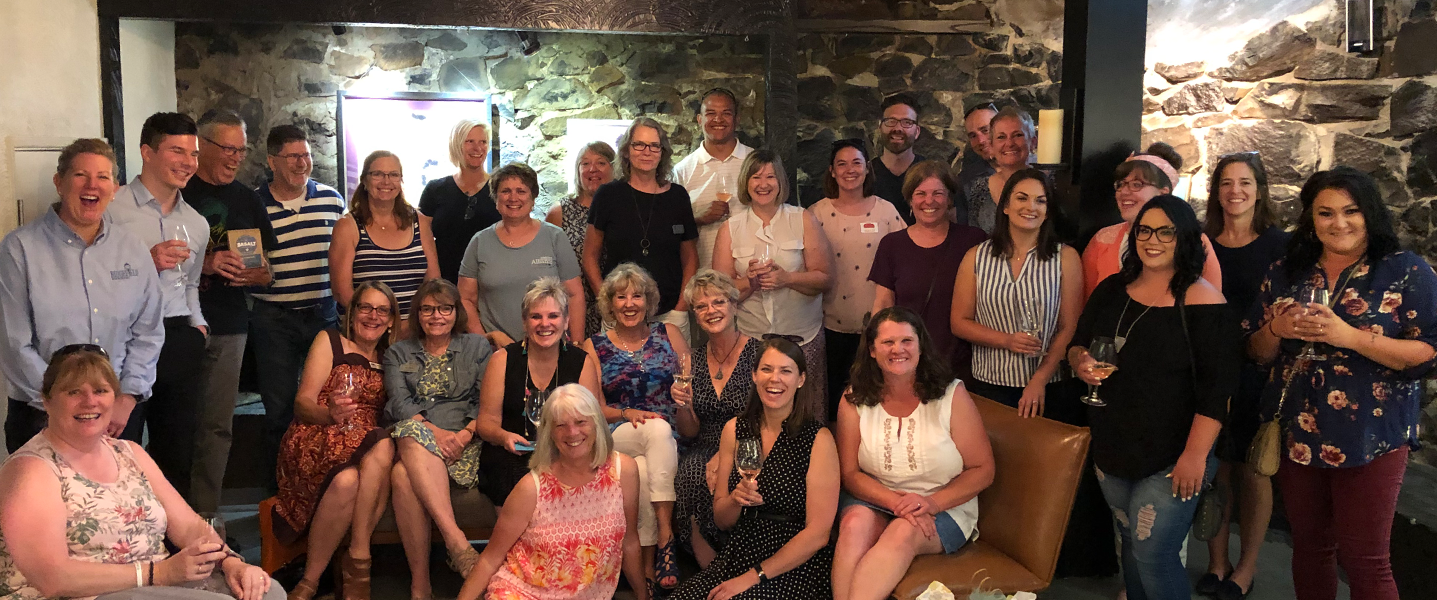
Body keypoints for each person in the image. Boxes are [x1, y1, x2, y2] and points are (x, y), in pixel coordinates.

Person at [1246, 167, 1437, 600]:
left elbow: (1429, 351)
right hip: (1299, 431)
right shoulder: (1286, 271)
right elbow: (1256, 353)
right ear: (1310, 219)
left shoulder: (1405, 272)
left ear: (1369, 213)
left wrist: (1348, 337)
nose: (1339, 223)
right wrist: (1275, 329)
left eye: (1350, 211)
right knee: (1310, 549)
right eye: (1325, 213)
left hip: (1374, 436)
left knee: (1366, 558)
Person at [0, 347, 279, 600]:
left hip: (151, 586)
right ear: (46, 401)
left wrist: (232, 563)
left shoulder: (129, 452)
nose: (89, 401)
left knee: (267, 591)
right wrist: (159, 574)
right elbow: (53, 579)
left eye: (100, 390)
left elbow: (190, 527)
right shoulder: (31, 469)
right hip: (83, 594)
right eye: (73, 392)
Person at [1067, 196, 1239, 600]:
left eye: (1166, 231)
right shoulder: (1113, 289)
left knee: (1155, 553)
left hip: (1174, 453)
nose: (1153, 240)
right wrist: (1081, 363)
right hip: (1114, 443)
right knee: (1130, 539)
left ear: (1185, 239)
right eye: (1145, 230)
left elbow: (1218, 392)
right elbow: (1078, 343)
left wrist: (1195, 456)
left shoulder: (1205, 302)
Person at [0, 138, 162, 452]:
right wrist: (64, 404)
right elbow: (14, 343)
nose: (93, 185)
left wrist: (126, 398)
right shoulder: (19, 248)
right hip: (41, 417)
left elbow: (148, 332)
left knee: (116, 502)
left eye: (103, 177)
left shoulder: (132, 249)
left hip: (117, 416)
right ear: (59, 183)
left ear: (114, 188)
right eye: (80, 175)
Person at [832, 307, 994, 600]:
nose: (898, 350)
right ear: (872, 350)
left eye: (907, 341)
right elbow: (850, 474)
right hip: (877, 497)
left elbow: (982, 469)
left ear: (921, 346)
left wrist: (930, 503)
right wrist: (897, 503)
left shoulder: (952, 394)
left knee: (902, 533)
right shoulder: (853, 398)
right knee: (854, 526)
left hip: (944, 504)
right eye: (888, 342)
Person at [667, 337, 839, 600]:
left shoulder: (818, 439)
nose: (775, 379)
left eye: (786, 371)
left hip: (793, 562)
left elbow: (818, 534)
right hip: (740, 550)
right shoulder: (735, 430)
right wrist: (736, 500)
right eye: (767, 369)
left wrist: (752, 577)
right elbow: (721, 519)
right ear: (754, 375)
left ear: (800, 379)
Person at [455, 384, 649, 600]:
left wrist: (643, 595)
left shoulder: (624, 471)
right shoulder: (531, 487)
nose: (572, 432)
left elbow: (629, 541)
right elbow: (490, 559)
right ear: (550, 433)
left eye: (580, 422)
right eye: (561, 425)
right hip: (521, 593)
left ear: (597, 424)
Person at [1196, 152, 1288, 600]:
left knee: (1255, 471)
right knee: (1215, 470)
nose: (1235, 191)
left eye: (1245, 182)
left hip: (1259, 373)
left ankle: (1246, 568)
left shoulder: (1280, 246)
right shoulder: (1200, 241)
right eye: (1226, 182)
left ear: (1260, 188)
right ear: (1216, 191)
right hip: (1207, 370)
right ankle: (1218, 562)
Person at [105, 112, 210, 502]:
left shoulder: (196, 222)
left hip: (179, 337)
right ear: (147, 152)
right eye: (177, 151)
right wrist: (144, 262)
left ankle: (172, 547)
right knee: (120, 443)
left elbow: (193, 283)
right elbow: (94, 277)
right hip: (125, 339)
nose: (188, 162)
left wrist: (197, 327)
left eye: (194, 153)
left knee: (177, 450)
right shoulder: (112, 209)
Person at [272, 282, 399, 600]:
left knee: (347, 480)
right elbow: (302, 403)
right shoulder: (329, 340)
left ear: (392, 320)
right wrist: (330, 414)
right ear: (351, 312)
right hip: (318, 432)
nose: (373, 316)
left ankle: (311, 581)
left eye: (382, 310)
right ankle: (360, 558)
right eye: (365, 307)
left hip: (366, 446)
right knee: (381, 443)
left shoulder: (392, 358)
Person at [183, 108, 278, 512]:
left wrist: (257, 277)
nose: (237, 157)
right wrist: (204, 263)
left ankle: (205, 516)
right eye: (228, 148)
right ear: (201, 146)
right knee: (174, 425)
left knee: (217, 426)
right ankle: (170, 517)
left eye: (242, 149)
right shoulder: (177, 193)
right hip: (176, 325)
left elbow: (265, 269)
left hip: (228, 323)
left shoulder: (246, 200)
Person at [249, 124, 347, 497]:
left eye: (305, 154)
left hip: (323, 315)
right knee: (278, 409)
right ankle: (279, 494)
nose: (301, 163)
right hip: (273, 317)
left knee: (323, 403)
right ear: (272, 160)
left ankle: (319, 485)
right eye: (292, 156)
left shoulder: (331, 199)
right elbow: (251, 264)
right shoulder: (253, 203)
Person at [582, 264, 689, 591]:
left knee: (641, 469)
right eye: (621, 297)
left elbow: (690, 381)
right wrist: (627, 412)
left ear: (649, 301)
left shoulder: (668, 333)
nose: (629, 304)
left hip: (670, 436)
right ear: (610, 304)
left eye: (637, 296)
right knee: (655, 431)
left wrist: (683, 397)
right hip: (620, 432)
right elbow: (594, 408)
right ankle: (666, 537)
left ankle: (645, 569)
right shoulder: (595, 345)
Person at [384, 279, 493, 596]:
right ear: (417, 314)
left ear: (456, 312)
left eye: (445, 308)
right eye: (427, 309)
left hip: (466, 444)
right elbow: (400, 404)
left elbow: (484, 398)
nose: (436, 316)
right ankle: (457, 544)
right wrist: (438, 434)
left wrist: (463, 434)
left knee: (403, 475)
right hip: (419, 439)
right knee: (406, 428)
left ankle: (420, 586)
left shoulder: (476, 347)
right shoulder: (397, 352)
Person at [951, 169, 1082, 419]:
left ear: (1048, 210)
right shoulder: (976, 257)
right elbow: (959, 323)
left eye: (1040, 200)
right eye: (1022, 198)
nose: (1031, 206)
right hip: (990, 382)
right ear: (1006, 206)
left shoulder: (1065, 258)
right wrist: (1006, 340)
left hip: (1049, 386)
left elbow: (1069, 327)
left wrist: (1039, 380)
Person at [714, 149, 833, 408]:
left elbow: (825, 278)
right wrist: (750, 283)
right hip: (750, 339)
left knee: (806, 414)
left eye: (770, 177)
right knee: (756, 413)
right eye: (756, 177)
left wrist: (787, 279)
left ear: (781, 182)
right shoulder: (730, 229)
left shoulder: (802, 219)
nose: (763, 184)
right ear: (746, 182)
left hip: (802, 339)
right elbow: (720, 293)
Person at [475, 277, 604, 507]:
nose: (545, 324)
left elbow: (592, 422)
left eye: (553, 316)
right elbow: (486, 423)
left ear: (566, 321)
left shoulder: (581, 362)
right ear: (525, 322)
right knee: (512, 475)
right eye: (536, 316)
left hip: (566, 450)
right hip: (511, 453)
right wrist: (504, 437)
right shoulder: (501, 360)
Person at [668, 270, 762, 566]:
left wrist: (727, 453)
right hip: (704, 443)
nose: (711, 311)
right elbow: (689, 431)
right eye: (701, 306)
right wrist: (682, 405)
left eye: (718, 302)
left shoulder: (760, 353)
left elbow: (768, 416)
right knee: (693, 471)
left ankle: (743, 563)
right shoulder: (692, 360)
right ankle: (709, 570)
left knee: (729, 474)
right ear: (694, 315)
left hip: (751, 443)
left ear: (734, 305)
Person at [808, 139, 907, 419]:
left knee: (874, 401)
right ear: (831, 171)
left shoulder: (886, 212)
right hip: (829, 325)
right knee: (834, 403)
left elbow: (904, 260)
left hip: (877, 327)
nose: (849, 170)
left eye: (856, 163)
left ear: (867, 169)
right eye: (841, 163)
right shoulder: (816, 214)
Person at [870, 161, 987, 381]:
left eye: (938, 193)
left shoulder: (973, 240)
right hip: (907, 362)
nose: (929, 201)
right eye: (920, 193)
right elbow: (883, 304)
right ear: (910, 199)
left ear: (950, 199)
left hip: (965, 364)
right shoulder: (892, 245)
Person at [582, 117, 699, 338]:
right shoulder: (607, 195)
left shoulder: (678, 196)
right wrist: (606, 302)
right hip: (619, 312)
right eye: (639, 145)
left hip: (669, 314)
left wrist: (681, 308)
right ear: (626, 150)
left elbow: (690, 258)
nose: (647, 151)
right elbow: (589, 256)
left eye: (654, 146)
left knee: (675, 373)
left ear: (662, 152)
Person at [459, 162, 584, 347]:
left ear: (533, 198)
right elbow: (465, 299)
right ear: (495, 198)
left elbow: (574, 295)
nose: (513, 197)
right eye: (506, 191)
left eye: (521, 191)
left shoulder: (555, 237)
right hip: (497, 352)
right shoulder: (480, 242)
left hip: (549, 347)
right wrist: (485, 341)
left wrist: (577, 344)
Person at [1081, 142, 1221, 300]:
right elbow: (1087, 305)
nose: (1124, 192)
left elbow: (1211, 305)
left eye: (1136, 184)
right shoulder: (1102, 240)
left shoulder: (1193, 240)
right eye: (1120, 184)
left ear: (1163, 193)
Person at [330, 150, 439, 320]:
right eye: (377, 174)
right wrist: (382, 324)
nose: (386, 181)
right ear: (364, 181)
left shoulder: (420, 222)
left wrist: (413, 325)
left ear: (401, 180)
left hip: (414, 332)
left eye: (393, 174)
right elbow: (342, 293)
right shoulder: (347, 227)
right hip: (367, 332)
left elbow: (432, 284)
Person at [673, 87, 753, 269]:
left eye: (726, 113)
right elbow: (670, 228)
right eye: (710, 113)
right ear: (700, 120)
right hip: (704, 278)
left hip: (752, 276)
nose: (718, 119)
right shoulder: (682, 171)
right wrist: (697, 219)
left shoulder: (755, 163)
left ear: (737, 119)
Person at [546, 141, 616, 338]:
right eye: (585, 164)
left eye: (601, 163)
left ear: (614, 168)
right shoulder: (560, 212)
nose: (592, 169)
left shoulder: (622, 210)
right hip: (572, 309)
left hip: (616, 308)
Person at [419, 119, 500, 284]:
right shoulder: (435, 190)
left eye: (483, 142)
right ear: (457, 144)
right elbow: (422, 238)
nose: (477, 148)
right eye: (470, 141)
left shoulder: (501, 189)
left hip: (491, 282)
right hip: (444, 283)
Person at [962, 106, 1036, 235]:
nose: (1009, 143)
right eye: (1001, 137)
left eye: (1018, 135)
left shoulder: (1048, 182)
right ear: (993, 144)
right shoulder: (979, 187)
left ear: (1033, 142)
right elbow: (973, 235)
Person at [872, 93, 926, 225]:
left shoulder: (930, 173)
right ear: (881, 127)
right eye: (891, 121)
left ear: (917, 131)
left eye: (907, 123)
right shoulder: (865, 174)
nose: (897, 128)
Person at [952, 103, 998, 197]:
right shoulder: (965, 181)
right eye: (973, 136)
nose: (980, 141)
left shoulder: (1031, 168)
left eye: (985, 130)